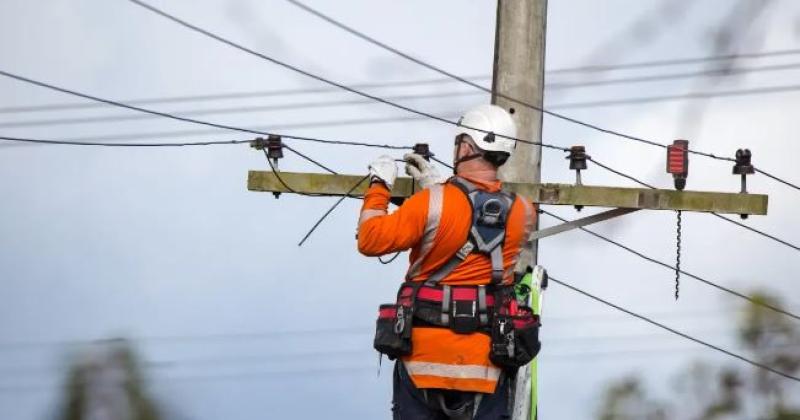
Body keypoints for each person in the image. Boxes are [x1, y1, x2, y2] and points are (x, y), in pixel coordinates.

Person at [357, 104, 538, 419]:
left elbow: (371, 239)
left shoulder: (430, 204)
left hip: (422, 364)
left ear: (466, 147)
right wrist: (439, 190)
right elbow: (477, 221)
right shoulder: (523, 212)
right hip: (486, 368)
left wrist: (378, 187)